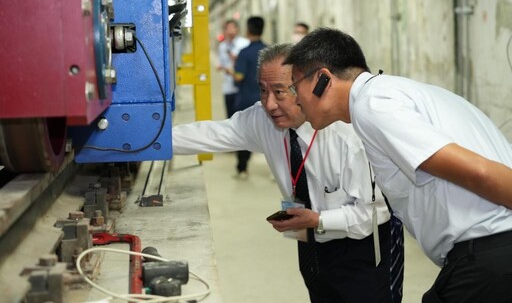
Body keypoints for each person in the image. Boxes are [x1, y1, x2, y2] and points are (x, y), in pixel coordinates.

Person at [284, 27, 512, 303]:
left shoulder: (375, 106)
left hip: (490, 255)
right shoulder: (395, 94)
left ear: (323, 79)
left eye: (296, 87)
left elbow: (481, 173)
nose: (295, 99)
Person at [172, 43, 403, 303]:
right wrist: (143, 140)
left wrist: (317, 220)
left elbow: (372, 214)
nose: (270, 104)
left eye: (280, 92)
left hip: (363, 252)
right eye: (263, 90)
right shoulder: (263, 122)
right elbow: (207, 135)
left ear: (302, 88)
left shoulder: (346, 135)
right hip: (309, 245)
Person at [230, 16, 267, 177]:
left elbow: (239, 76)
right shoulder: (270, 51)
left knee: (245, 133)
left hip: (246, 99)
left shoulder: (244, 53)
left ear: (248, 30)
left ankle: (242, 168)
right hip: (266, 100)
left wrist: (230, 69)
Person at [216, 19, 249, 118]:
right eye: (227, 28)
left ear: (237, 29)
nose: (230, 31)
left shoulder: (245, 44)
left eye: (232, 28)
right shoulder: (222, 46)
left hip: (242, 86)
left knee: (244, 116)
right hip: (228, 86)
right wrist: (221, 67)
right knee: (230, 116)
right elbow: (221, 63)